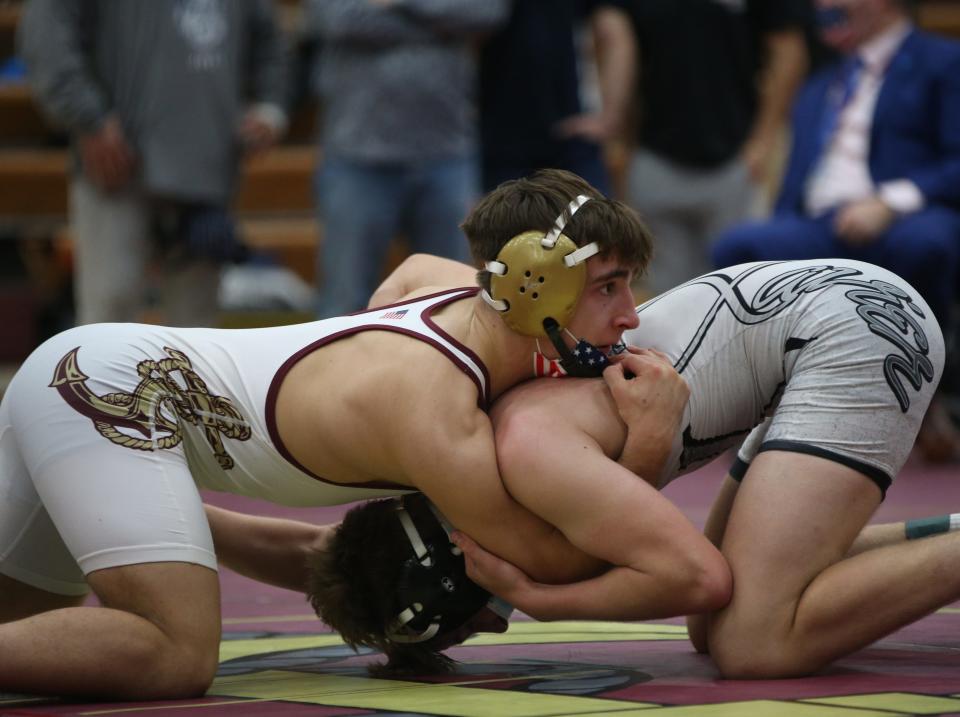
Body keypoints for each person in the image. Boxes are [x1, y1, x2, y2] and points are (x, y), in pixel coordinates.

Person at [0, 170, 681, 699]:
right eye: (609, 287)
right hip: (110, 395)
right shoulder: (432, 409)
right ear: (535, 290)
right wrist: (649, 439)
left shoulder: (460, 291)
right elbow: (563, 558)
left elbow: (412, 267)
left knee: (26, 622)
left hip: (88, 371)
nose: (631, 315)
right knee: (175, 653)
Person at [267, 254, 945, 679]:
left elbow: (696, 578)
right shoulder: (467, 452)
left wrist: (545, 600)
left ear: (453, 572)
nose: (497, 624)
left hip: (845, 330)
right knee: (720, 627)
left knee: (755, 643)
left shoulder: (525, 457)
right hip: (805, 318)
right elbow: (417, 269)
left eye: (472, 619)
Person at [710, 0, 960, 458]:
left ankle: (928, 397)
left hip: (910, 214)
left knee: (927, 244)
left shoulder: (943, 62)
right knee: (742, 247)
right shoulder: (822, 82)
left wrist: (889, 201)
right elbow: (797, 183)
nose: (823, 6)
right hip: (820, 223)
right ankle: (761, 405)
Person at [17, 0, 290, 327]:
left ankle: (187, 380)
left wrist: (270, 107)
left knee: (196, 326)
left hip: (205, 168)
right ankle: (107, 379)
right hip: (117, 165)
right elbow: (48, 35)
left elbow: (270, 41)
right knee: (110, 312)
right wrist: (89, 118)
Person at [307, 0, 509, 318]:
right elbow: (337, 19)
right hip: (357, 157)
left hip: (447, 155)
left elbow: (484, 11)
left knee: (453, 298)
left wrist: (398, 4)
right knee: (344, 303)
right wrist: (438, 26)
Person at [624, 0, 811, 296]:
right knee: (667, 301)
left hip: (735, 158)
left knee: (739, 295)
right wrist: (621, 139)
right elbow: (616, 41)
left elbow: (788, 49)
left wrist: (763, 140)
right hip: (655, 154)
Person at [478, 0, 636, 196]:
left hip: (572, 145)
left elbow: (613, 33)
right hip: (495, 147)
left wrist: (608, 118)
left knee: (592, 223)